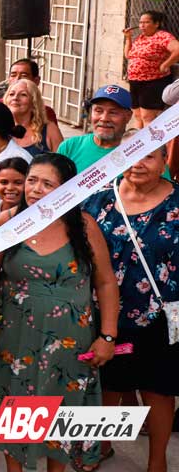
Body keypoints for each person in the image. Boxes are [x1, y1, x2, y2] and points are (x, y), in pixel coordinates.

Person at [0, 153, 119, 471]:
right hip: (16, 338)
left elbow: (106, 282)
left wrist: (108, 336)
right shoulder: (8, 221)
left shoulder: (84, 226)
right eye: (32, 180)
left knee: (61, 412)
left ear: (66, 189)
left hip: (70, 342)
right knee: (15, 410)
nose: (36, 189)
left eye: (47, 183)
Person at [84, 137, 179, 472]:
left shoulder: (177, 202)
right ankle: (100, 446)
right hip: (108, 316)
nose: (138, 163)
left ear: (164, 160)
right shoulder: (98, 200)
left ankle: (157, 461)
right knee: (108, 386)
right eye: (131, 155)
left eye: (148, 157)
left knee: (158, 391)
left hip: (162, 318)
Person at [55, 84, 138, 173]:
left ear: (128, 116)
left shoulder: (136, 152)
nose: (104, 118)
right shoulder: (69, 147)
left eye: (113, 112)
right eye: (98, 111)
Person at [123, 10, 179, 129]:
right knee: (137, 115)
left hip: (152, 82)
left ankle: (149, 141)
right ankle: (138, 140)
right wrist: (128, 38)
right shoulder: (141, 38)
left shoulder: (163, 36)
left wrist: (165, 64)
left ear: (156, 24)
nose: (142, 25)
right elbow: (128, 55)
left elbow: (177, 50)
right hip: (135, 81)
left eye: (146, 22)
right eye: (140, 22)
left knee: (147, 117)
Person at [4, 79, 63, 155]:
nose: (15, 98)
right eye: (11, 94)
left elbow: (62, 161)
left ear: (34, 102)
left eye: (23, 94)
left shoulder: (50, 130)